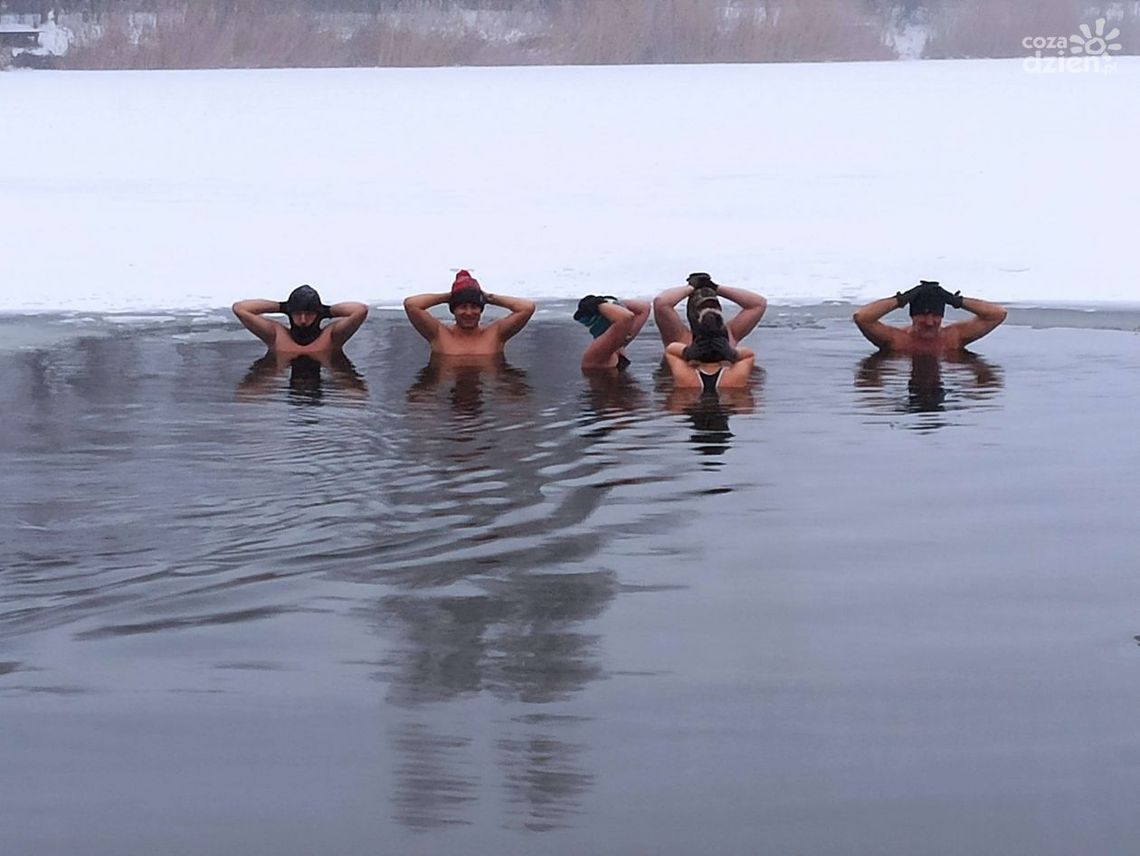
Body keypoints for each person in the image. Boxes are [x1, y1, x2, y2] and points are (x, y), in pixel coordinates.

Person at [852, 280, 1007, 354]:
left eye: (935, 316)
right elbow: (862, 317)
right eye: (922, 316)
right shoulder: (896, 341)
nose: (930, 322)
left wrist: (956, 301)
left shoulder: (953, 338)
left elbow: (998, 314)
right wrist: (902, 299)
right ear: (912, 316)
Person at [404, 270, 535, 356]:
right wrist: (449, 296)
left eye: (474, 307)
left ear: (481, 309)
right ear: (453, 309)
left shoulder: (495, 334)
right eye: (462, 307)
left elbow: (527, 307)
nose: (468, 312)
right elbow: (411, 304)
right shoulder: (439, 334)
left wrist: (488, 297)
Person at [232, 285, 369, 355]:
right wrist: (282, 307)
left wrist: (327, 310)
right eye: (297, 314)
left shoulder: (331, 337)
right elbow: (240, 308)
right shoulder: (276, 335)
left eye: (309, 314)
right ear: (290, 313)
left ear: (317, 314)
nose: (303, 320)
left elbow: (360, 310)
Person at [662, 292, 756, 391]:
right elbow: (749, 354)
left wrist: (688, 352)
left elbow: (670, 350)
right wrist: (733, 354)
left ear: (696, 341)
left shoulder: (684, 374)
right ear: (725, 341)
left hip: (691, 394)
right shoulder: (736, 374)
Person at [653, 272, 767, 347]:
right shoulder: (679, 337)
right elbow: (661, 303)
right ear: (692, 313)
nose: (709, 311)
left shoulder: (730, 334)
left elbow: (758, 303)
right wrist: (690, 288)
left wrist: (715, 288)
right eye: (703, 307)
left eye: (713, 306)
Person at [573, 295, 650, 370]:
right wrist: (599, 305)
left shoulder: (618, 344)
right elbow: (626, 317)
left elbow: (643, 308)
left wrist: (612, 302)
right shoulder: (598, 353)